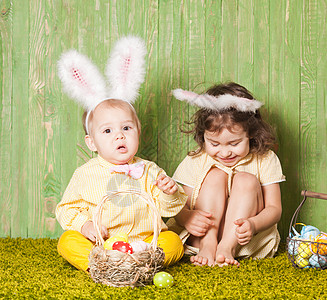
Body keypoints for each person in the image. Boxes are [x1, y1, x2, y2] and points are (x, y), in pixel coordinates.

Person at [55, 36, 187, 272]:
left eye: (126, 128)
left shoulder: (149, 170)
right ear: (91, 142)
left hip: (143, 243)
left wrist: (170, 191)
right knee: (67, 242)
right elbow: (66, 208)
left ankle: (141, 262)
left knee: (174, 242)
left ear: (138, 132)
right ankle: (101, 265)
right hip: (101, 245)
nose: (119, 136)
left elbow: (168, 210)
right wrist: (84, 225)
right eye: (107, 131)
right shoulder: (85, 173)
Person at [167, 82, 285, 267]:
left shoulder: (265, 159)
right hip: (203, 235)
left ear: (251, 134)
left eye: (234, 143)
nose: (224, 153)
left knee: (246, 180)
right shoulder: (196, 159)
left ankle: (226, 248)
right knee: (215, 175)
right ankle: (209, 243)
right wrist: (186, 218)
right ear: (203, 135)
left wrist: (253, 225)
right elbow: (181, 203)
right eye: (214, 144)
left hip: (243, 239)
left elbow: (274, 209)